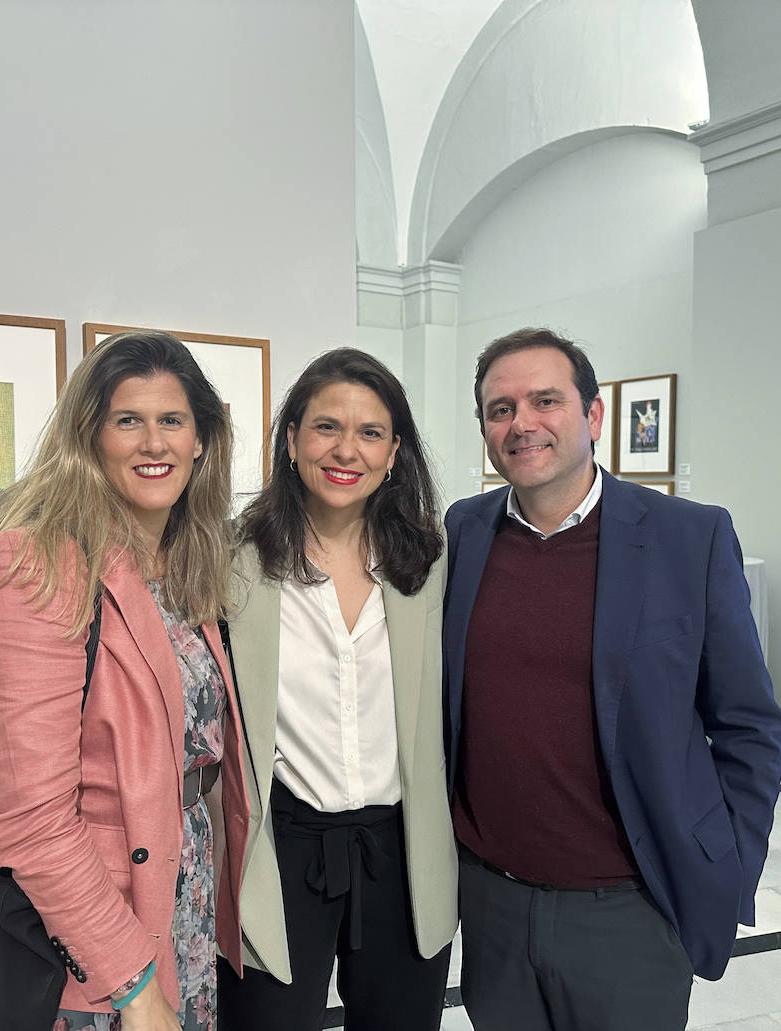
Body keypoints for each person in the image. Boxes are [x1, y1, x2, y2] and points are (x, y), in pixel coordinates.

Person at [443, 327, 781, 1031]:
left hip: (630, 909)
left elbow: (749, 725)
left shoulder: (689, 537)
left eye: (545, 400)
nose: (522, 423)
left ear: (593, 416)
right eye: (500, 408)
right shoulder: (463, 532)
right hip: (492, 907)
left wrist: (728, 864)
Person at [0, 331, 249, 1031]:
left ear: (202, 438)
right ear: (89, 436)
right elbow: (33, 820)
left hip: (183, 906)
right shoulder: (37, 563)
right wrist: (134, 987)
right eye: (128, 421)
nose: (154, 442)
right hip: (98, 937)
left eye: (172, 420)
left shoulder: (183, 558)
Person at [217, 348, 457, 1031]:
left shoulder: (430, 557)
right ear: (291, 440)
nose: (346, 448)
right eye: (326, 427)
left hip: (402, 847)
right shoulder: (233, 557)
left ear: (393, 450)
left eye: (370, 432)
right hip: (280, 845)